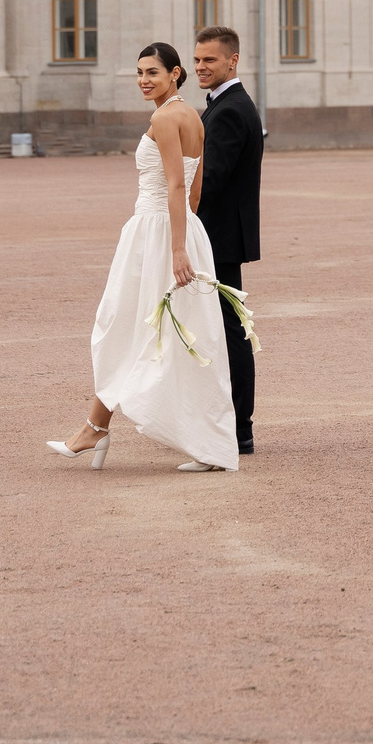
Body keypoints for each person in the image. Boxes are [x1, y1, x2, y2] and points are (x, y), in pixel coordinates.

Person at [47, 43, 237, 472]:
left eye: (152, 72)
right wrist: (187, 236)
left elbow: (175, 186)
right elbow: (195, 189)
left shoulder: (165, 117)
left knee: (125, 327)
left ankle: (99, 430)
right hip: (177, 230)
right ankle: (101, 428)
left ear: (175, 73)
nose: (144, 80)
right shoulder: (193, 115)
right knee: (170, 334)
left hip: (157, 234)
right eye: (139, 73)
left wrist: (174, 249)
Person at [191, 27, 262, 457]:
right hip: (216, 234)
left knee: (230, 332)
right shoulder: (223, 105)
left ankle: (238, 429)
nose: (201, 67)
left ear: (232, 61)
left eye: (210, 61)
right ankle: (228, 425)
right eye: (197, 60)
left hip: (217, 237)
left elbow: (211, 178)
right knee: (219, 330)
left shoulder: (232, 109)